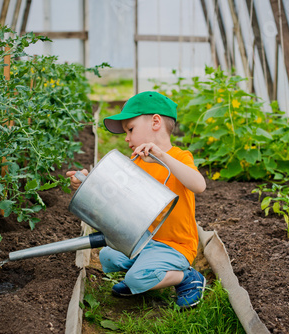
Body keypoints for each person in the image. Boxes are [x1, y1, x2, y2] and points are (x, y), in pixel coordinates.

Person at [65, 91, 207, 308]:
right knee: (108, 257)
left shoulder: (178, 157)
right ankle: (144, 274)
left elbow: (199, 185)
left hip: (176, 246)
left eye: (130, 130)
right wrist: (83, 183)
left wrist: (161, 156)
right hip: (143, 241)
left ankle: (187, 277)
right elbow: (114, 196)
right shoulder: (136, 162)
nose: (127, 138)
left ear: (156, 122)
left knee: (135, 278)